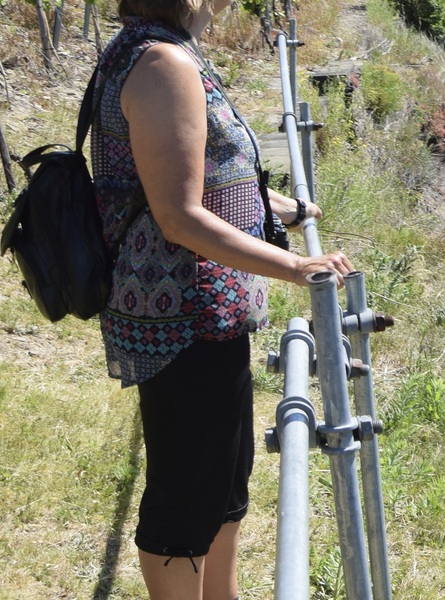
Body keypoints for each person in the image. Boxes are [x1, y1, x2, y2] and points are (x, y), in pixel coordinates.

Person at [94, 0, 351, 596]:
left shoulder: (160, 48)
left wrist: (279, 208)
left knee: (223, 482)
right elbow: (178, 214)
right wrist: (296, 266)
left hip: (205, 309)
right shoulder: (161, 63)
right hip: (182, 314)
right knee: (187, 494)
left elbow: (196, 173)